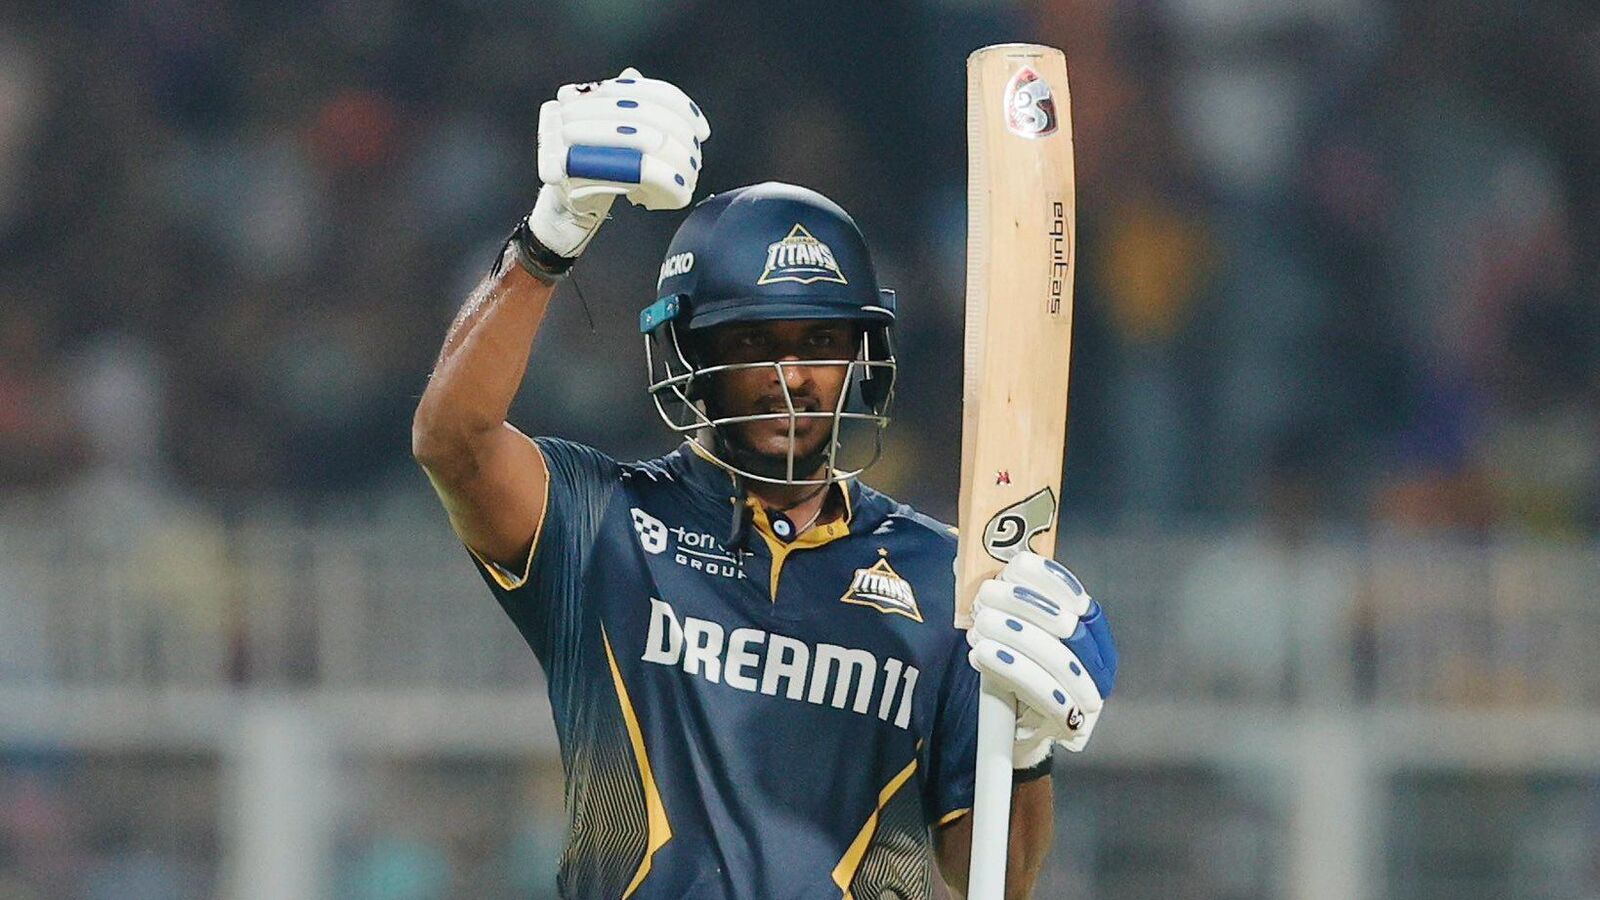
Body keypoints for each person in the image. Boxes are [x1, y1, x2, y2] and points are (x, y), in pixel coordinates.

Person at [412, 68, 1118, 900]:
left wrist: (1024, 752)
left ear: (862, 358)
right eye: (753, 342)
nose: (793, 376)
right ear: (690, 353)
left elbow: (996, 880)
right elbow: (452, 442)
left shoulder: (949, 583)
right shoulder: (602, 526)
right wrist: (548, 238)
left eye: (821, 341)